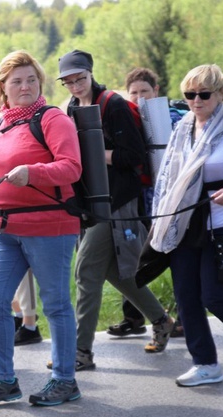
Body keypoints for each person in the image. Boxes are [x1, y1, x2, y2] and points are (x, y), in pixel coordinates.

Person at [0, 50, 82, 407]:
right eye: (17, 81)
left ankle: (64, 380)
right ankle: (3, 380)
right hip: (4, 228)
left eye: (32, 79)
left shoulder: (53, 119)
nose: (25, 86)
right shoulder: (0, 122)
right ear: (3, 87)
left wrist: (34, 172)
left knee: (56, 304)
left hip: (50, 225)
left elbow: (72, 168)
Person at [58, 49, 174, 370]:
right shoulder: (71, 107)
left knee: (85, 273)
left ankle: (80, 353)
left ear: (90, 73)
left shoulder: (114, 105)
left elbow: (132, 155)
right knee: (114, 272)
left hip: (118, 201)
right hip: (91, 201)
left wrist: (95, 153)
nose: (75, 85)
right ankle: (161, 320)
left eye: (80, 78)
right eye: (68, 81)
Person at [151, 63, 223, 387]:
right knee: (186, 295)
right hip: (184, 222)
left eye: (203, 94)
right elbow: (170, 177)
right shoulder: (183, 128)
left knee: (215, 294)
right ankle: (205, 363)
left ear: (221, 94)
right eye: (189, 95)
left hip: (222, 224)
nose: (196, 101)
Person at [107, 67, 187, 339]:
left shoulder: (174, 119)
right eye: (134, 93)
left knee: (176, 256)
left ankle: (185, 316)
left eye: (144, 92)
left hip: (171, 200)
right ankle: (133, 316)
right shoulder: (127, 120)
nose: (140, 98)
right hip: (140, 200)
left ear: (156, 91)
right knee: (134, 256)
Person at [0, 63, 42, 346]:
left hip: (35, 214)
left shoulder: (42, 117)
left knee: (34, 280)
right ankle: (21, 320)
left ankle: (30, 323)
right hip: (2, 214)